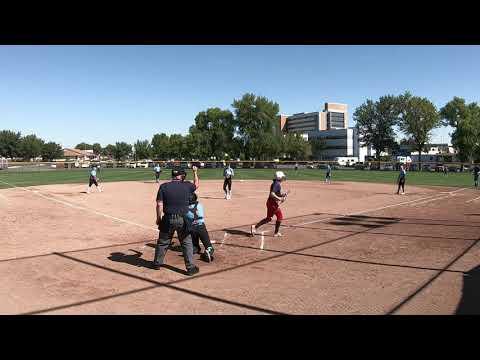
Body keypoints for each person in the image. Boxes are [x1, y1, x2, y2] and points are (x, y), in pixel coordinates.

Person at [152, 166, 200, 275]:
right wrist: (195, 172)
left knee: (163, 242)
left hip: (168, 218)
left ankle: (157, 263)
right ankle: (190, 268)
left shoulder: (163, 186)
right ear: (180, 176)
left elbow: (159, 204)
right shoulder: (187, 185)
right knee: (186, 242)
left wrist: (158, 218)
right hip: (182, 219)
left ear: (173, 176)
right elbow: (196, 184)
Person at [251, 171, 288, 238]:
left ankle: (255, 227)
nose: (283, 178)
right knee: (280, 216)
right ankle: (276, 233)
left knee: (269, 219)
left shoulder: (275, 183)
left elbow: (276, 193)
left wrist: (282, 195)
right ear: (279, 177)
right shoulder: (277, 184)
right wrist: (280, 199)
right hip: (272, 204)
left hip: (271, 203)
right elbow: (272, 194)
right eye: (282, 177)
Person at [185, 193, 215, 262]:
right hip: (201, 227)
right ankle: (208, 251)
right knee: (208, 245)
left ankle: (195, 248)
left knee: (194, 243)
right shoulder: (199, 205)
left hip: (192, 228)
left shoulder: (185, 209)